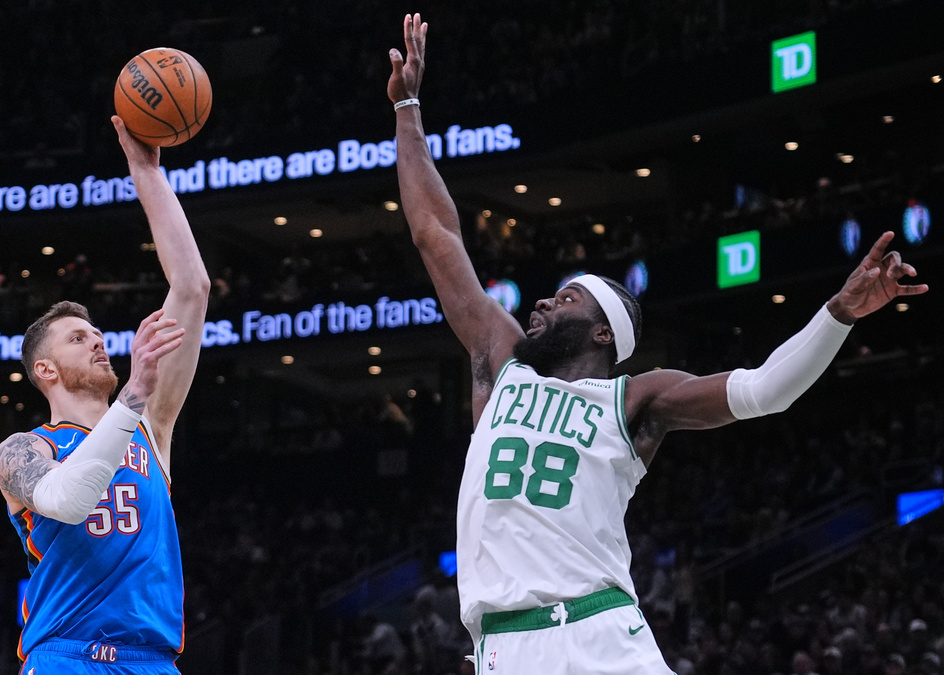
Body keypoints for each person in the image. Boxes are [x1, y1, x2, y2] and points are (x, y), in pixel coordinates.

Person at [387, 13, 929, 673]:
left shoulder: (636, 397)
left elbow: (764, 389)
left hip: (598, 635)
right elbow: (437, 235)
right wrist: (408, 109)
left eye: (564, 298)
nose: (539, 303)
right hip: (503, 648)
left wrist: (838, 313)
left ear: (601, 330)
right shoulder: (502, 367)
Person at [0, 116, 210, 673]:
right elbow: (67, 501)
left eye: (96, 335)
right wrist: (133, 395)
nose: (96, 343)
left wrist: (146, 171)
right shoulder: (23, 450)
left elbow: (192, 287)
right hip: (69, 657)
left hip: (156, 660)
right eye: (76, 338)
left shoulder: (152, 428)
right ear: (44, 369)